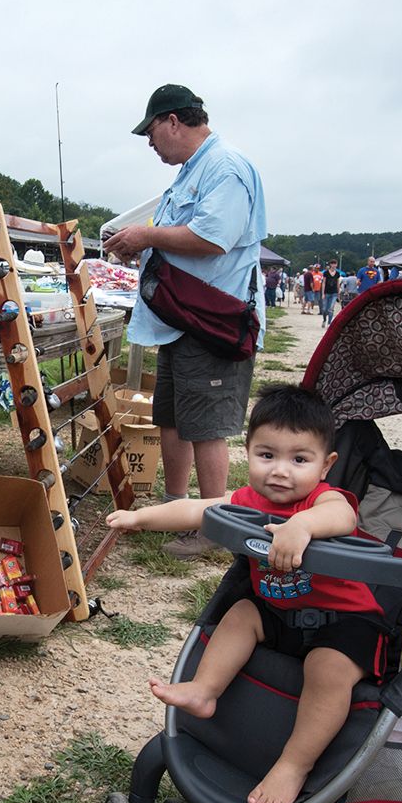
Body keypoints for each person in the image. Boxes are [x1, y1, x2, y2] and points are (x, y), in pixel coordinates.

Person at [107, 384, 383, 803]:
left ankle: (293, 765)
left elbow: (342, 515)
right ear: (248, 452)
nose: (280, 471)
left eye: (299, 459)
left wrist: (304, 526)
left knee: (327, 669)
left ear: (326, 465)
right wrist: (140, 518)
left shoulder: (322, 499)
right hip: (280, 614)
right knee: (240, 612)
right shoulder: (248, 500)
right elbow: (200, 509)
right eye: (266, 455)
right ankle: (204, 690)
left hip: (344, 621)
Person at [101, 83, 266, 560]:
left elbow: (213, 238)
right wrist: (143, 246)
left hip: (212, 320)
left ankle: (215, 528)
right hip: (181, 320)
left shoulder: (225, 167)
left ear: (174, 121)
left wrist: (145, 234)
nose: (150, 144)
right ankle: (176, 508)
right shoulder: (194, 170)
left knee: (206, 425)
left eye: (151, 132)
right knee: (171, 418)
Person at [319, 259, 342, 327]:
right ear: (330, 265)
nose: (334, 265)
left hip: (334, 293)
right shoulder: (326, 273)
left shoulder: (337, 273)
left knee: (331, 308)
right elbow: (323, 283)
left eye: (335, 264)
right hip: (326, 292)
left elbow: (338, 283)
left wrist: (338, 294)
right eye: (332, 264)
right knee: (324, 309)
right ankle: (324, 320)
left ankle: (329, 323)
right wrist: (323, 293)